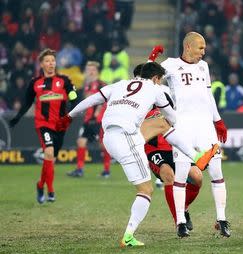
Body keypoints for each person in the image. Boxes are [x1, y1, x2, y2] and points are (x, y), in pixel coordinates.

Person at [56, 62, 219, 247]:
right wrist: (170, 116)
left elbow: (91, 100)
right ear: (156, 78)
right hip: (128, 139)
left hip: (109, 137)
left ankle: (197, 157)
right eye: (160, 80)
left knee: (160, 125)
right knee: (146, 190)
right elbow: (173, 119)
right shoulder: (155, 90)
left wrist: (68, 116)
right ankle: (128, 236)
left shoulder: (119, 84)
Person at [160, 31, 230, 238]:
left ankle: (222, 219)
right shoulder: (170, 65)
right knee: (181, 175)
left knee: (216, 172)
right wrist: (152, 59)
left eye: (205, 49)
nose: (203, 52)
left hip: (206, 127)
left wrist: (218, 120)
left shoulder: (204, 67)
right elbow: (147, 77)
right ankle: (180, 222)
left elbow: (208, 95)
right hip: (183, 127)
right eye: (200, 48)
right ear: (188, 46)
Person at [9, 48, 78, 204]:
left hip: (60, 126)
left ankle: (40, 185)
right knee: (48, 152)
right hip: (43, 124)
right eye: (47, 61)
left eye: (53, 61)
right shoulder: (35, 83)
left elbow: (74, 98)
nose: (50, 63)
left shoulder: (65, 81)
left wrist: (71, 112)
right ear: (41, 64)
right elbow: (27, 103)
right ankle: (51, 190)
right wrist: (17, 117)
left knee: (50, 160)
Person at [144, 107, 202, 230]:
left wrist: (192, 145)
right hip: (154, 151)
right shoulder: (142, 109)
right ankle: (180, 223)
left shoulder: (172, 107)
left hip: (175, 148)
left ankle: (183, 207)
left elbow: (184, 128)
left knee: (197, 176)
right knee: (168, 174)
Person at [66, 61, 111, 178]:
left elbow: (104, 100)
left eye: (92, 70)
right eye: (88, 70)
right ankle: (79, 170)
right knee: (81, 142)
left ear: (97, 72)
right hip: (88, 120)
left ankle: (106, 170)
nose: (90, 72)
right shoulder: (86, 86)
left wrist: (97, 113)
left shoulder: (102, 84)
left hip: (98, 120)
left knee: (103, 145)